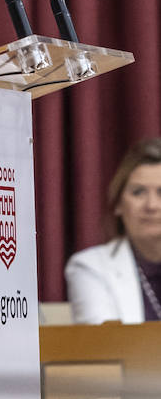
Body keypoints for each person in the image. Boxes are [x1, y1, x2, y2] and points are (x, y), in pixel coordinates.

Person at [65, 136, 161, 324]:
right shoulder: (89, 268)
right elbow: (105, 348)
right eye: (138, 192)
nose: (151, 205)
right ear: (118, 203)